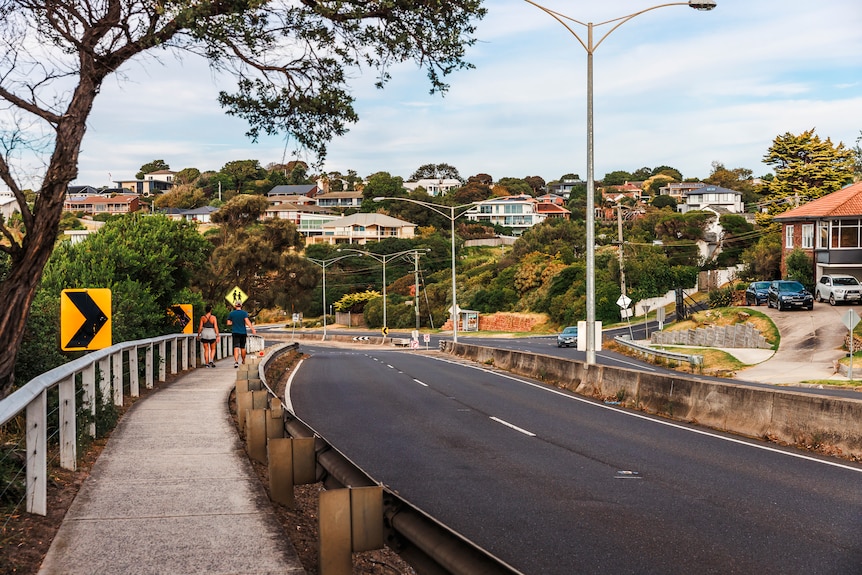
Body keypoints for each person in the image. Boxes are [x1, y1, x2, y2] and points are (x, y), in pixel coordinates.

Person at [226, 301, 257, 367]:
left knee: (236, 347)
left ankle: (236, 361)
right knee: (242, 347)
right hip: (243, 332)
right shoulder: (244, 313)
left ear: (235, 306)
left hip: (235, 332)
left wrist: (233, 322)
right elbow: (247, 321)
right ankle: (243, 360)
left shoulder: (231, 314)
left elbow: (228, 323)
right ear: (241, 306)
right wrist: (252, 329)